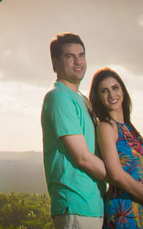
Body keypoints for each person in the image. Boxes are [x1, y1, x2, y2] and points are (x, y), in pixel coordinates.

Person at [40, 33, 107, 229]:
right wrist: (124, 180)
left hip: (93, 206)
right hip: (75, 205)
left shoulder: (82, 99)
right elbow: (83, 158)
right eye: (70, 56)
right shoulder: (59, 97)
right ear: (55, 63)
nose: (78, 61)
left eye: (81, 55)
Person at [90, 68, 143, 229]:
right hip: (123, 209)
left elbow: (139, 163)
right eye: (104, 91)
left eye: (115, 88)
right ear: (99, 97)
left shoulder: (128, 127)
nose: (111, 95)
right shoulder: (106, 126)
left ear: (123, 90)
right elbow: (116, 174)